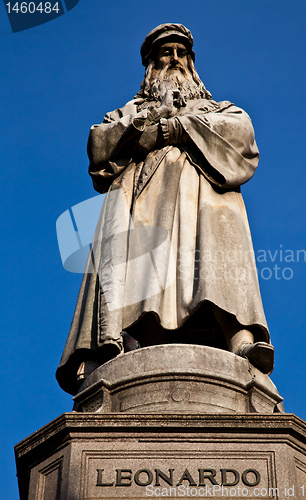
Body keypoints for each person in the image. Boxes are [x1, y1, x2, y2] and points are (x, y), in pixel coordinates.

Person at [56, 23, 274, 396]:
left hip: (201, 198)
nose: (174, 59)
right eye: (165, 52)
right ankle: (122, 346)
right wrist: (148, 122)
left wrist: (180, 128)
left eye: (181, 52)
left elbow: (242, 136)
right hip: (139, 200)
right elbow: (100, 148)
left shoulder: (214, 108)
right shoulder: (129, 112)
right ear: (151, 63)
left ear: (190, 61)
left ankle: (239, 336)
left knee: (217, 244)